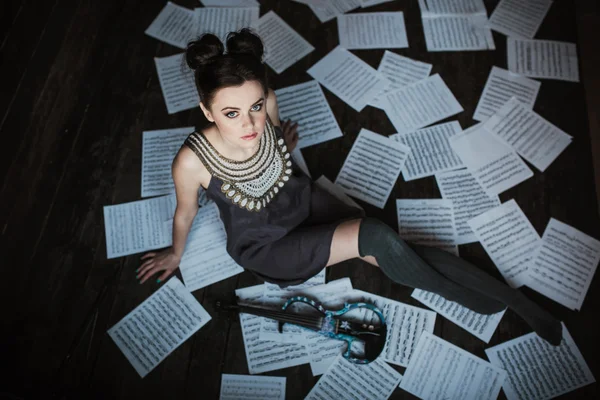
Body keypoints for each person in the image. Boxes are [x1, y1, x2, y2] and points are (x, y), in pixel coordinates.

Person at [136, 29, 563, 346]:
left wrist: (279, 143)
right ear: (206, 109)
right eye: (231, 113)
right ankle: (496, 300)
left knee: (388, 248)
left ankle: (503, 300)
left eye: (256, 107)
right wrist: (176, 252)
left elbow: (273, 136)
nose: (249, 123)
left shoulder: (266, 104)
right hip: (267, 243)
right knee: (376, 236)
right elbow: (185, 212)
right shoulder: (191, 161)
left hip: (298, 199)